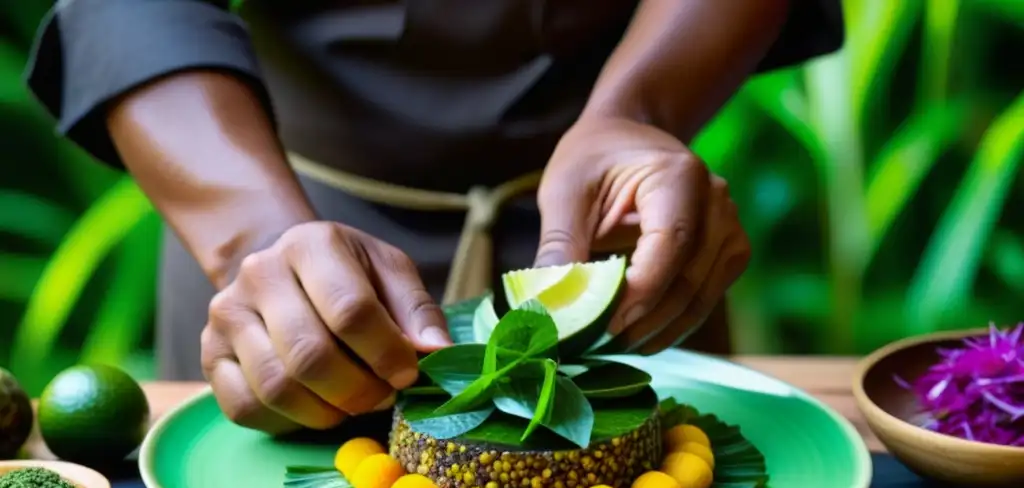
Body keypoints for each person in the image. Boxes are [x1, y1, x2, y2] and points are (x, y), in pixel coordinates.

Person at [25, 0, 843, 435]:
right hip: (280, 228)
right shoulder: (269, 251)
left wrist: (642, 107)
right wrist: (257, 239)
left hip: (625, 232)